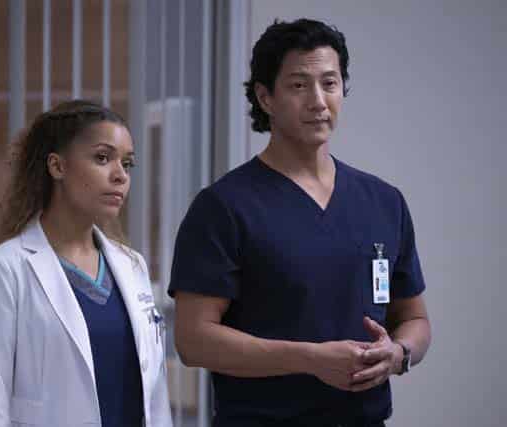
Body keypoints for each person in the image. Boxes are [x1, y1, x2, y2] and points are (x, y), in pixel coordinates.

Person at [169, 19, 431, 427]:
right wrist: (310, 359)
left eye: (330, 83)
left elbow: (414, 319)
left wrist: (399, 354)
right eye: (298, 85)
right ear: (265, 97)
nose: (318, 101)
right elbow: (193, 340)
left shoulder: (383, 201)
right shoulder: (224, 207)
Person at [0, 100, 172, 427]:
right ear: (57, 166)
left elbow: (155, 393)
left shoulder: (133, 266)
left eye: (127, 163)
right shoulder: (2, 270)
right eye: (102, 158)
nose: (120, 176)